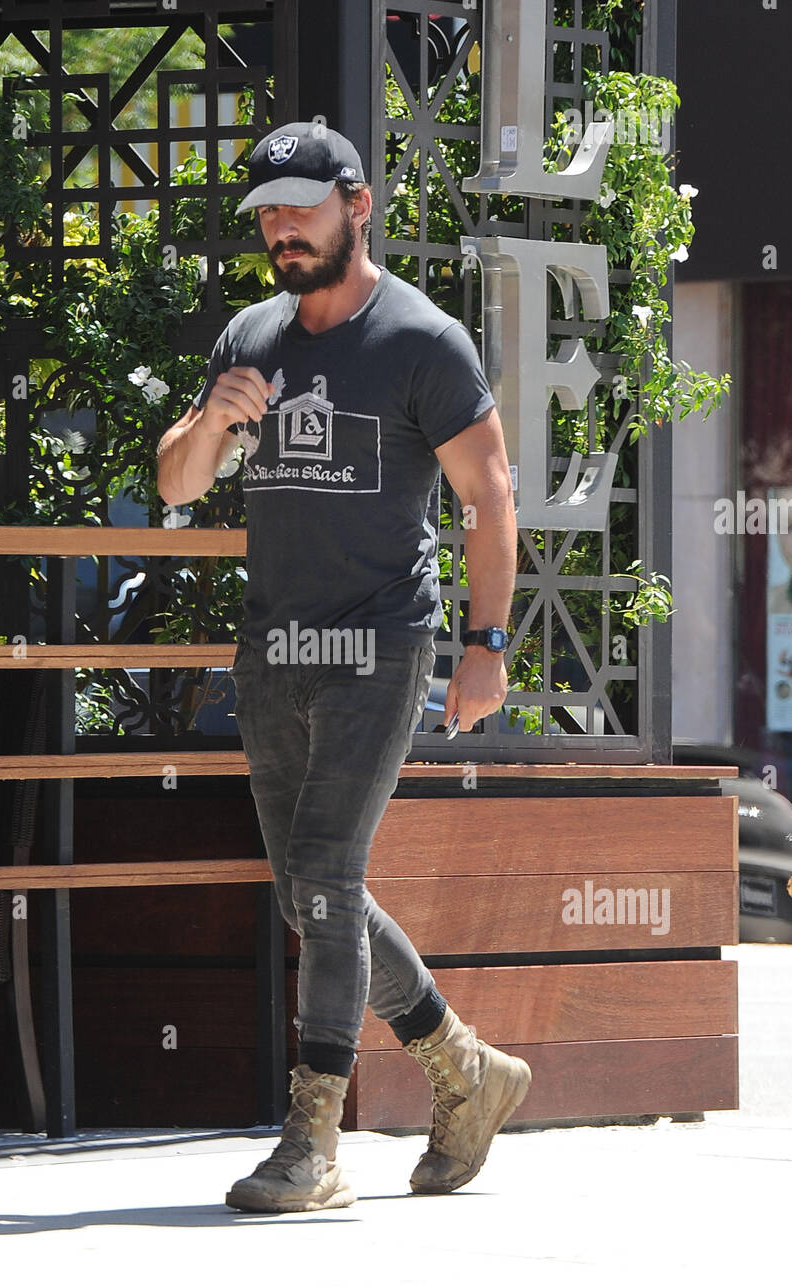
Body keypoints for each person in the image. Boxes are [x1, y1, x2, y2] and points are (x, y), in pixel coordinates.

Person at [157, 121, 531, 1213]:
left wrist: (486, 644)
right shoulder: (250, 336)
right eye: (267, 213)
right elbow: (179, 486)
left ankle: (311, 1140)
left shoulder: (421, 340)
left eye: (300, 207)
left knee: (322, 876)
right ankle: (466, 1071)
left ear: (355, 205)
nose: (282, 228)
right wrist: (210, 415)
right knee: (310, 890)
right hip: (272, 644)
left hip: (382, 641)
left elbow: (491, 494)